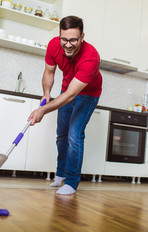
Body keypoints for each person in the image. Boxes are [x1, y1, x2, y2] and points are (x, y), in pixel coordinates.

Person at [28, 15, 102, 195]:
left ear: (82, 37)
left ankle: (71, 181)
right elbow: (49, 72)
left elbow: (71, 95)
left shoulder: (91, 57)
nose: (68, 44)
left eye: (73, 40)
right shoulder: (54, 45)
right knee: (61, 135)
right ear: (59, 36)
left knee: (74, 135)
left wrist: (43, 109)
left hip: (87, 94)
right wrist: (47, 94)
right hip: (66, 90)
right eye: (64, 39)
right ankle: (60, 174)